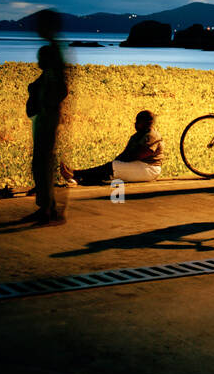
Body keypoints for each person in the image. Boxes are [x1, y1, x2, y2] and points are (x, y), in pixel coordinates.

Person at [24, 12, 69, 226]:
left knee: (43, 161)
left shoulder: (53, 51)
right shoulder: (54, 50)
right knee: (40, 161)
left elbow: (61, 88)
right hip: (45, 114)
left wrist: (47, 106)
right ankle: (45, 206)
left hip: (47, 116)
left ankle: (48, 208)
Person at [74, 110, 165, 185]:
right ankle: (79, 178)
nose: (135, 124)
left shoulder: (152, 136)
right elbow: (127, 153)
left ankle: (76, 174)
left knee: (113, 167)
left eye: (138, 122)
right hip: (140, 165)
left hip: (150, 168)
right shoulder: (137, 136)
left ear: (148, 123)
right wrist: (118, 160)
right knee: (112, 168)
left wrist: (120, 161)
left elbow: (139, 155)